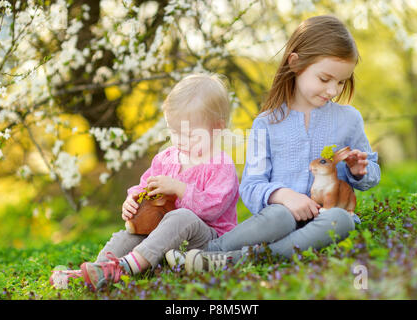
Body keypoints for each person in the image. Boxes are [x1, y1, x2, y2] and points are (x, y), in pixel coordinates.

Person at [182, 15, 381, 273]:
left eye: (341, 82)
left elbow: (372, 173)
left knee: (342, 221)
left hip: (323, 220)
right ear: (296, 64)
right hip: (279, 219)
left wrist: (360, 171)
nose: (333, 90)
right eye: (324, 79)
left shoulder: (349, 119)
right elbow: (251, 186)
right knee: (279, 215)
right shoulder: (266, 123)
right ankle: (210, 252)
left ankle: (239, 259)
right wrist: (283, 196)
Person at [50, 74, 239, 290]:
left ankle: (126, 267)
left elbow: (213, 208)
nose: (178, 141)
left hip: (204, 242)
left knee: (182, 216)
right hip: (162, 241)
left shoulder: (220, 164)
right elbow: (145, 187)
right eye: (174, 131)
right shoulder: (166, 158)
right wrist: (133, 201)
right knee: (128, 236)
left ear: (217, 128)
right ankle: (99, 270)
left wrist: (179, 189)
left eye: (189, 135)